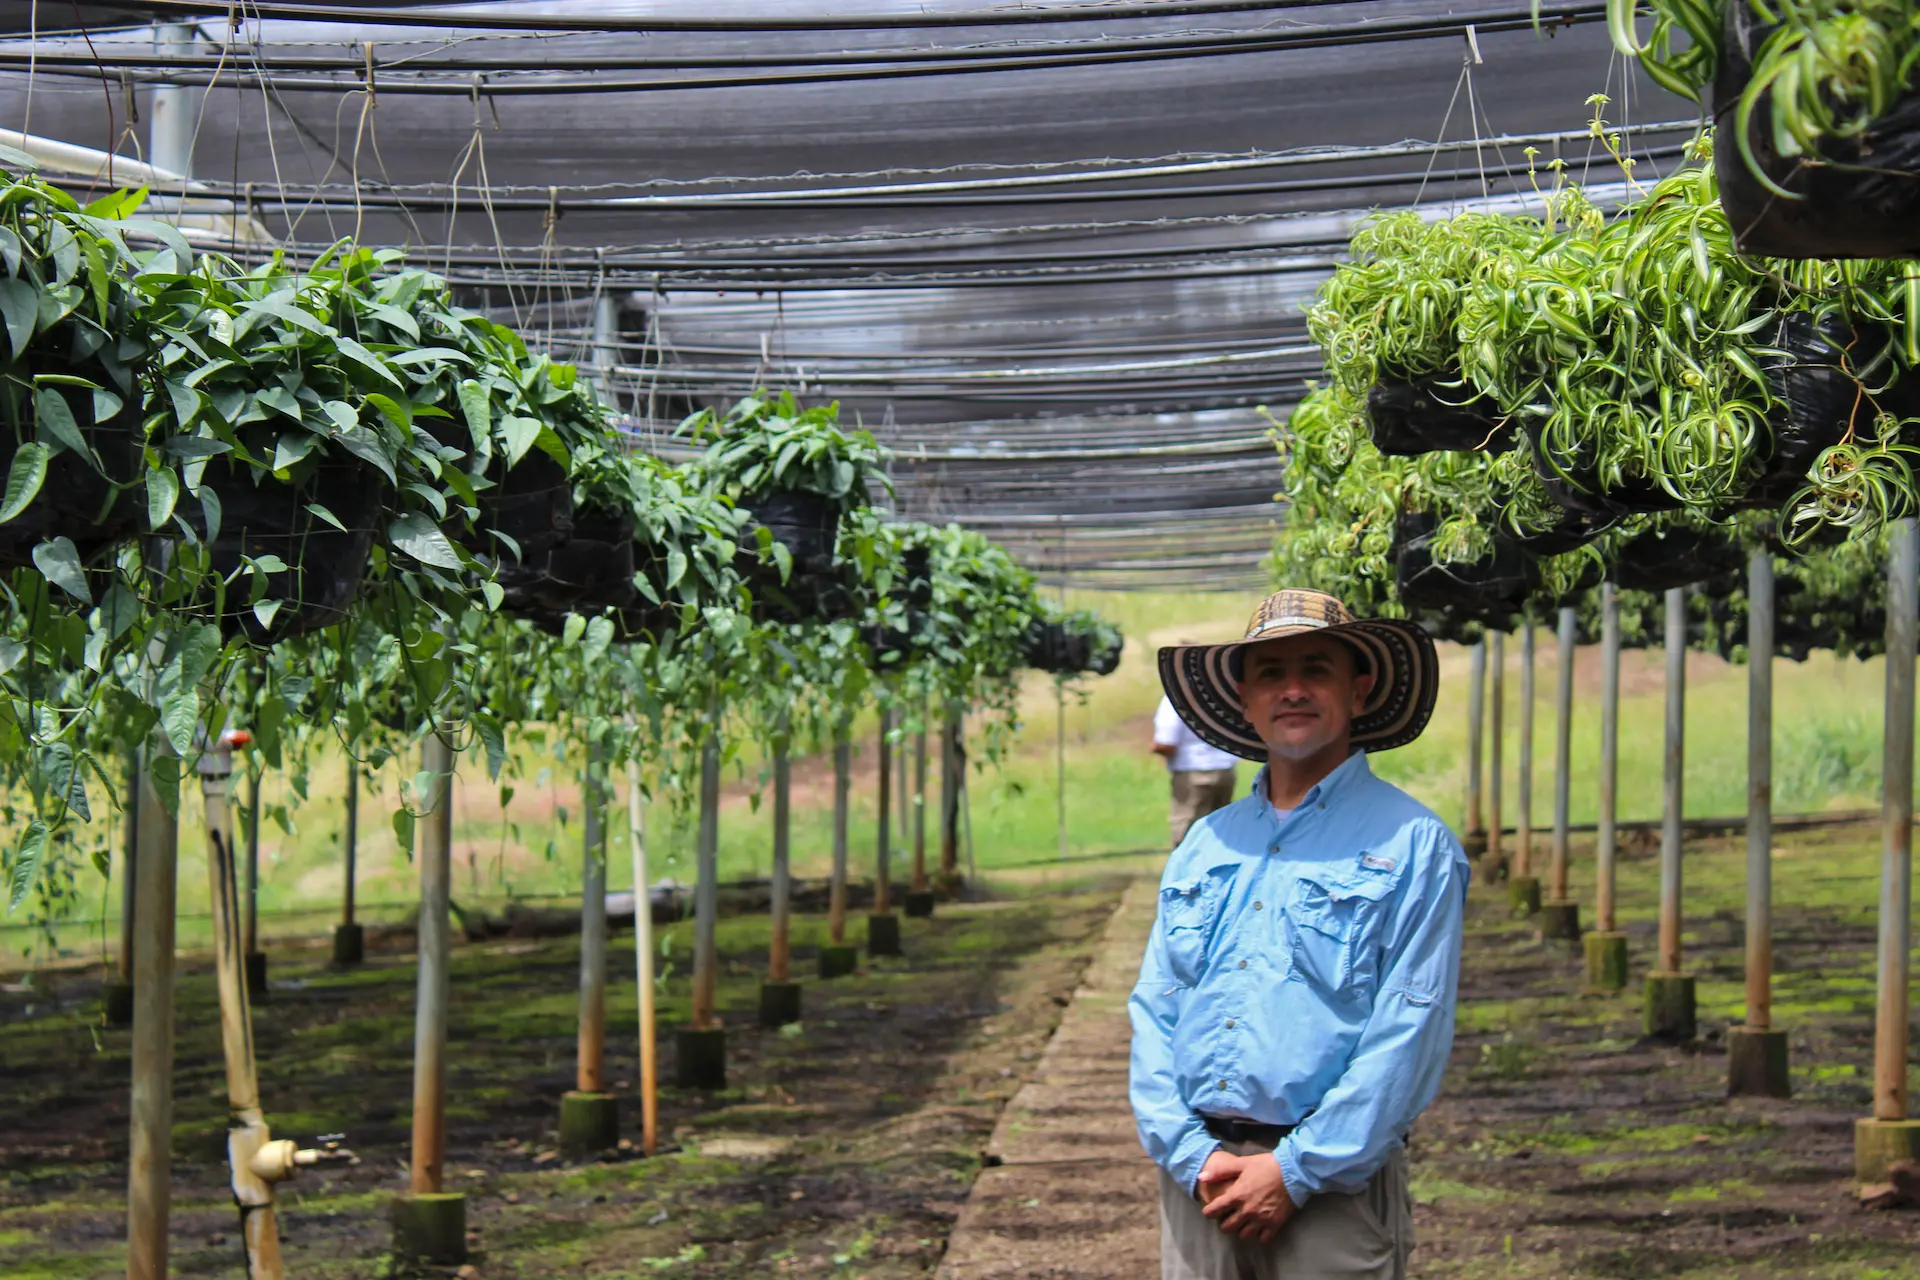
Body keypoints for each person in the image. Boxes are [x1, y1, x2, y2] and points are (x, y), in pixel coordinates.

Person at [1130, 588, 1468, 1280]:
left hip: (1332, 1191)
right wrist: (1191, 1155)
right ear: (1244, 699)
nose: (1293, 690)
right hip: (1203, 1182)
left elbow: (1409, 1028)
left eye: (1316, 669)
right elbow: (1155, 1008)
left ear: (1360, 690)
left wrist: (1294, 1170)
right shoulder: (1207, 845)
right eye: (1269, 674)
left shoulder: (1412, 846)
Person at [1154, 684, 1241, 849]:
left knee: (1187, 832)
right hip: (1225, 769)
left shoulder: (1175, 699)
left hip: (1192, 771)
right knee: (1220, 833)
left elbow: (1166, 743)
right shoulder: (1219, 696)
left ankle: (1185, 873)